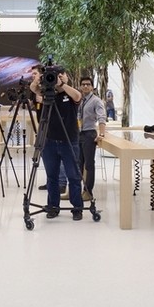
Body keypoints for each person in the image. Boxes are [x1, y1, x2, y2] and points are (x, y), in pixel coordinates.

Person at [31, 65, 83, 221]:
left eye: (61, 74)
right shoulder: (47, 94)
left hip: (69, 141)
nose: (58, 77)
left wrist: (62, 84)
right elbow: (34, 88)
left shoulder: (70, 94)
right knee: (51, 177)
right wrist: (39, 79)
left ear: (66, 76)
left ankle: (77, 208)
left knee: (73, 176)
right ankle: (53, 206)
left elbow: (78, 96)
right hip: (49, 142)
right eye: (55, 75)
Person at [77, 77, 106, 202]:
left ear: (92, 87)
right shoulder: (81, 100)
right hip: (79, 134)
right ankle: (76, 191)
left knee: (89, 164)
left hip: (89, 134)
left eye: (88, 84)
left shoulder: (96, 101)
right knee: (78, 164)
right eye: (83, 84)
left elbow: (102, 117)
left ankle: (88, 192)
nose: (85, 86)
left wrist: (102, 134)